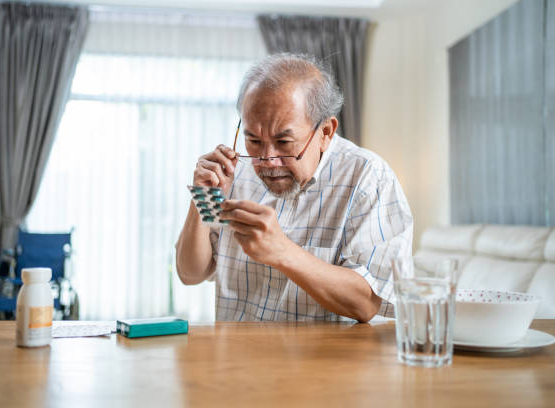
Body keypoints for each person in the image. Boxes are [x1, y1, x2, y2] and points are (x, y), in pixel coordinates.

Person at [175, 53, 413, 322]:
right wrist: (201, 198)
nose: (267, 160)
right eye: (253, 140)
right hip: (235, 358)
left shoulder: (367, 178)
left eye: (284, 142)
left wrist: (282, 251)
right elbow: (190, 273)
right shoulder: (231, 170)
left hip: (322, 363)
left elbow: (367, 303)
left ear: (325, 132)